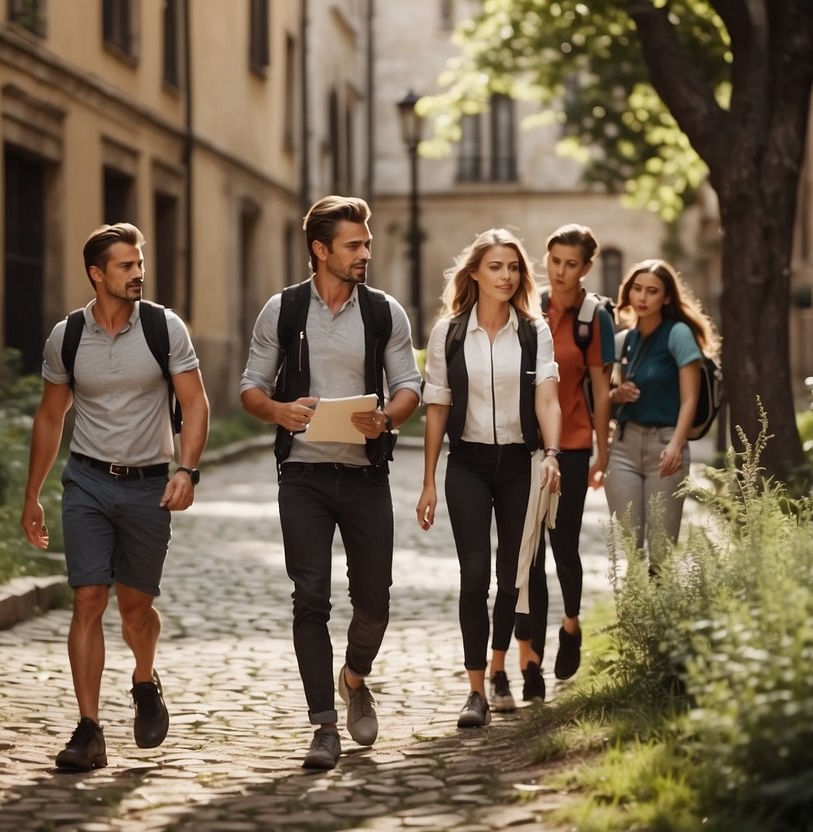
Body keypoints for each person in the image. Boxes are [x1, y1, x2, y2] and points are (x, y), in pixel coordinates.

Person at [240, 195, 422, 770]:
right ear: (321, 250)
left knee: (375, 601)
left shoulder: (385, 312)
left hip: (366, 473)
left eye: (366, 244)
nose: (365, 253)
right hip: (303, 478)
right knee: (310, 598)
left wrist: (388, 417)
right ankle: (322, 724)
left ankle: (354, 677)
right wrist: (279, 412)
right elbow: (250, 387)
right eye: (354, 245)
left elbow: (409, 386)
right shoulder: (284, 310)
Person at [21, 222, 210, 771]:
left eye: (139, 263)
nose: (138, 273)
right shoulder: (68, 336)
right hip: (87, 481)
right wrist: (32, 495)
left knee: (135, 608)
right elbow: (51, 415)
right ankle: (89, 728)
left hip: (149, 483)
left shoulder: (163, 328)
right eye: (126, 266)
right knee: (87, 598)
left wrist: (188, 470)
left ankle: (145, 680)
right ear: (96, 274)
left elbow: (195, 403)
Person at [415, 228, 562, 729]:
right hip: (468, 465)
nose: (506, 276)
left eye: (513, 267)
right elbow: (437, 407)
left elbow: (546, 396)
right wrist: (429, 480)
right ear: (474, 272)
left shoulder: (533, 331)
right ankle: (476, 689)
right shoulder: (449, 332)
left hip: (522, 465)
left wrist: (553, 455)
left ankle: (500, 666)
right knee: (474, 574)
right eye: (495, 267)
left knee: (511, 578)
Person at [488, 224, 615, 704]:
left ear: (585, 268)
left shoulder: (593, 318)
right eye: (554, 261)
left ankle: (571, 624)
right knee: (529, 557)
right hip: (526, 448)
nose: (560, 272)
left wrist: (602, 447)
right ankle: (532, 659)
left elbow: (601, 390)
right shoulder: (527, 308)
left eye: (571, 264)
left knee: (564, 545)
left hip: (575, 446)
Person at [605, 258, 720, 559]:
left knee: (660, 552)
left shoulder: (678, 334)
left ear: (666, 297)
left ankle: (659, 605)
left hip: (665, 446)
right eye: (637, 289)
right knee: (631, 548)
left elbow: (690, 399)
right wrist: (617, 395)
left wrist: (676, 445)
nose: (642, 297)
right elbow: (600, 396)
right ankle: (632, 606)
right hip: (622, 449)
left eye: (652, 291)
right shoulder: (623, 341)